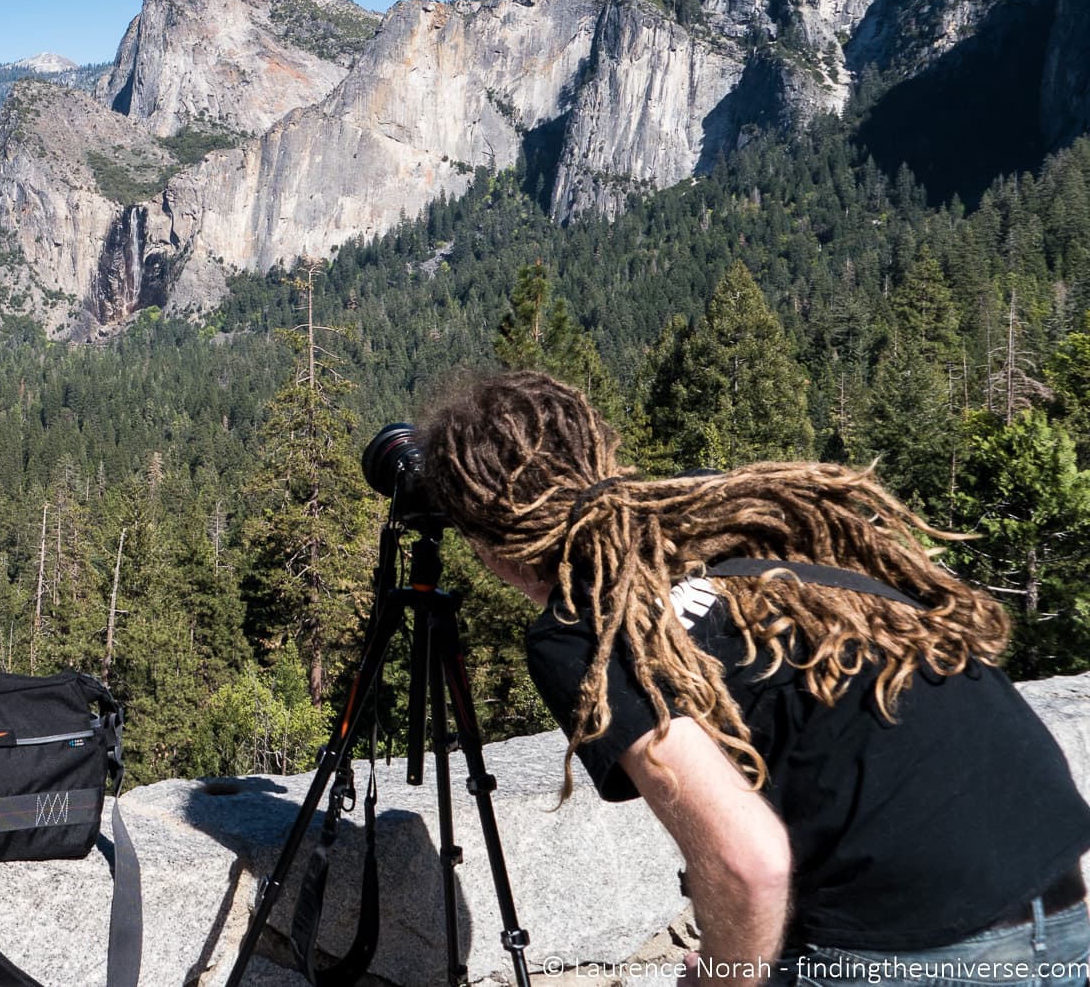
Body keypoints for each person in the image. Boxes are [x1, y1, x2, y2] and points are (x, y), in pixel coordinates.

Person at [413, 370, 1090, 982]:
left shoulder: (583, 620)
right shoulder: (750, 524)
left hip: (911, 945)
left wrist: (723, 977)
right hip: (1060, 901)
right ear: (597, 449)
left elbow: (750, 862)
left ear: (488, 544)